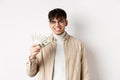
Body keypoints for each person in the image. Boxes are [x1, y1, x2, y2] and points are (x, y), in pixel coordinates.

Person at [26, 8, 90, 80]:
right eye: (53, 22)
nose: (57, 25)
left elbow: (85, 72)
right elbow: (31, 73)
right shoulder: (42, 45)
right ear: (49, 24)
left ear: (66, 22)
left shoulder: (78, 44)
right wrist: (32, 57)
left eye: (60, 21)